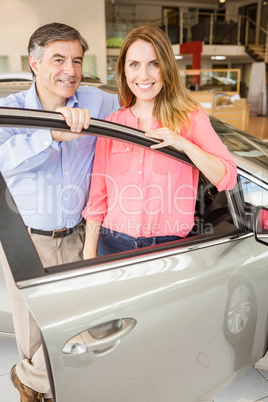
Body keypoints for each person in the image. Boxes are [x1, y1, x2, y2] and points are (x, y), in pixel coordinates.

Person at [0, 22, 119, 401]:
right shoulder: (10, 110)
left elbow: (139, 109)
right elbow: (4, 160)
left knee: (80, 324)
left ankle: (32, 380)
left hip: (81, 236)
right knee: (31, 326)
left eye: (77, 60)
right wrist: (50, 135)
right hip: (28, 237)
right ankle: (36, 387)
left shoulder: (96, 102)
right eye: (58, 59)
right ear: (34, 63)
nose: (70, 69)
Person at [82, 24, 237, 259]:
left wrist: (185, 145)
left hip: (168, 247)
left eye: (154, 64)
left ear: (166, 68)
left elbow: (227, 177)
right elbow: (98, 196)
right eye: (134, 64)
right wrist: (89, 250)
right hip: (111, 243)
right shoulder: (113, 123)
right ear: (124, 69)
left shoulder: (190, 117)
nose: (143, 75)